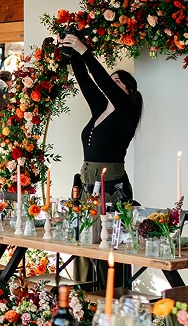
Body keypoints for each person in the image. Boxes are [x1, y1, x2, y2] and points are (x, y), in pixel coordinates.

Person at [59, 33, 142, 201]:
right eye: (112, 81)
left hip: (110, 186)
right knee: (84, 226)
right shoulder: (100, 108)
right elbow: (85, 81)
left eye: (117, 82)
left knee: (106, 227)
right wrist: (71, 54)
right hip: (86, 183)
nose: (112, 85)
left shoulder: (127, 111)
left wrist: (83, 50)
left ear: (129, 90)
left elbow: (103, 81)